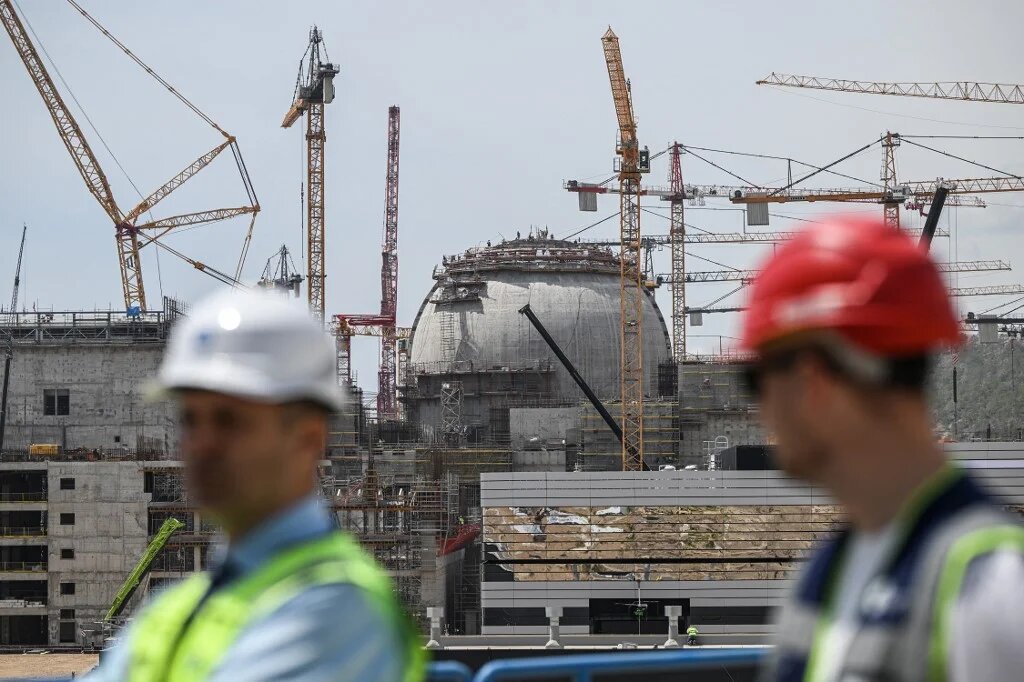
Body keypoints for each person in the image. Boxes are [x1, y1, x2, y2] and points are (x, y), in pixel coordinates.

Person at [89, 289, 425, 681]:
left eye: (231, 420)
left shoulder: (337, 607)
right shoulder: (174, 614)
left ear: (308, 438)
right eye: (191, 419)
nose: (203, 444)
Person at [744, 216, 1024, 682]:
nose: (759, 412)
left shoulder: (991, 587)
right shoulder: (831, 566)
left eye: (754, 381)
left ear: (813, 382)